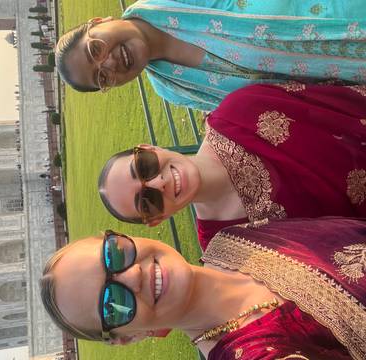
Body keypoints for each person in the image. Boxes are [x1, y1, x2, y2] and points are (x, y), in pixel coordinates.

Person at [40, 217, 366, 359]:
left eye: (113, 254)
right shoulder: (249, 353)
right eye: (112, 304)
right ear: (129, 337)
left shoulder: (229, 242)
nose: (133, 276)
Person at [97, 83, 366, 249]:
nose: (159, 182)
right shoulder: (226, 245)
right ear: (156, 220)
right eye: (147, 201)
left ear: (149, 149)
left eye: (144, 167)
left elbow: (345, 103)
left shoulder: (241, 110)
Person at [55, 0, 366, 110]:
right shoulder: (172, 89)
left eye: (96, 48)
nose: (110, 62)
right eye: (102, 77)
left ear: (99, 23)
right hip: (344, 85)